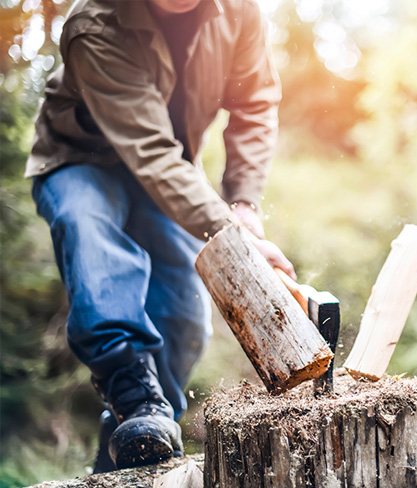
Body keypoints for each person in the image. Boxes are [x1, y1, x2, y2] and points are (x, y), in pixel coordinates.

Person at [26, 0, 294, 473]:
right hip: (80, 161)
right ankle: (132, 389)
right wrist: (230, 232)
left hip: (172, 173)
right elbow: (149, 150)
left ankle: (138, 440)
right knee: (91, 237)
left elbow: (254, 102)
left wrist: (244, 205)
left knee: (185, 316)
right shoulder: (95, 24)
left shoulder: (239, 11)